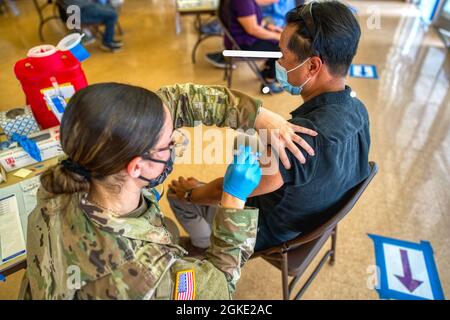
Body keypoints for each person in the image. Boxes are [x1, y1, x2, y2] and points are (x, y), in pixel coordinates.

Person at [23, 83, 316, 299]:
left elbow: (171, 102)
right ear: (137, 167)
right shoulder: (148, 273)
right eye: (169, 144)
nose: (176, 143)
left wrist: (258, 116)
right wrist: (233, 198)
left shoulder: (61, 182)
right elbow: (219, 287)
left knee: (172, 232)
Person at [169, 1, 371, 252]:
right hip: (314, 215)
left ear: (312, 66)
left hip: (269, 231)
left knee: (176, 195)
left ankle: (202, 246)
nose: (279, 62)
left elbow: (228, 190)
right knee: (248, 141)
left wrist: (192, 194)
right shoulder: (359, 111)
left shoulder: (296, 142)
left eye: (283, 55)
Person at [206, 0, 284, 93]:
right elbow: (253, 29)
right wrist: (277, 36)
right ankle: (268, 81)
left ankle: (266, 72)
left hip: (240, 40)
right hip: (242, 45)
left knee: (277, 42)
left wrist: (270, 27)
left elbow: (254, 19)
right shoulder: (242, 2)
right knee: (280, 47)